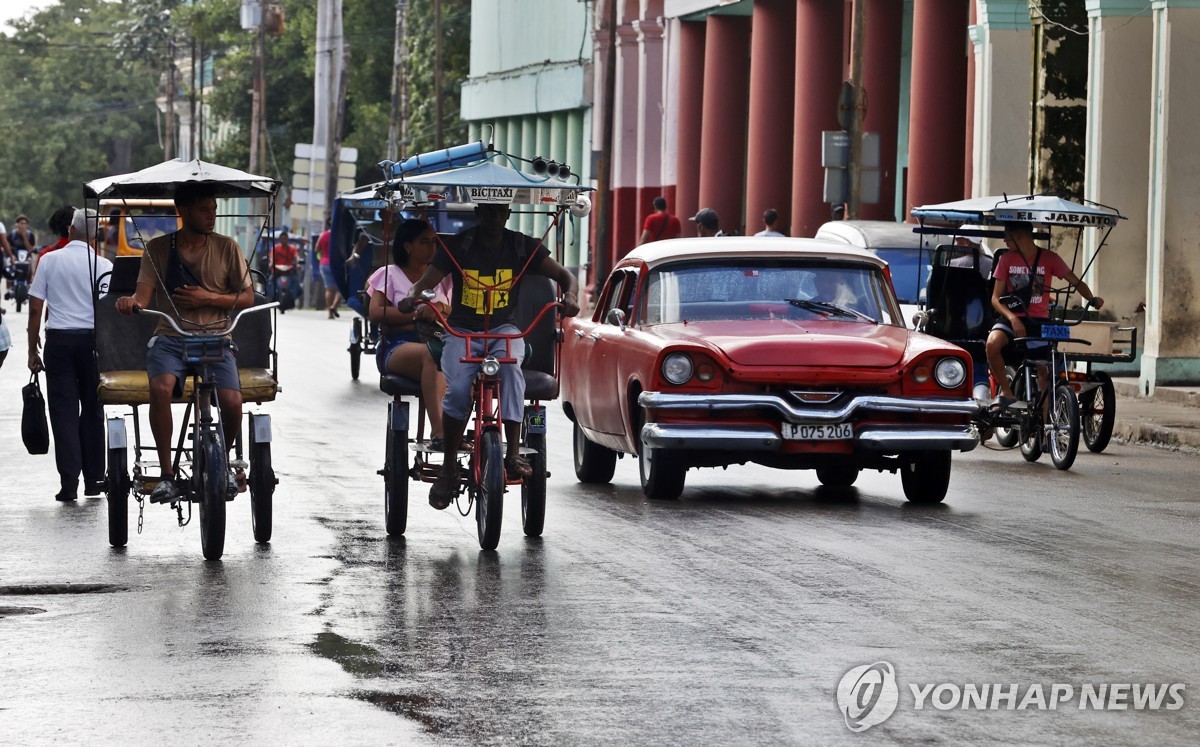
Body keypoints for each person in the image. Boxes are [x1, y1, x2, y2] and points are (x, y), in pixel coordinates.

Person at [403, 202, 581, 510]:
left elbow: (565, 276)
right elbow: (424, 283)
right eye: (488, 212)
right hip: (461, 331)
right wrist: (412, 296)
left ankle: (513, 454)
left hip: (505, 329)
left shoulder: (521, 245)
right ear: (478, 213)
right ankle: (448, 468)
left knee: (513, 373)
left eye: (500, 212)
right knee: (457, 387)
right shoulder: (459, 245)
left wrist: (571, 295)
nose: (494, 218)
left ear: (507, 215)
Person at [114, 182, 255, 504]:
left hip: (217, 337)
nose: (212, 216)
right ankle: (167, 474)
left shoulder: (228, 247)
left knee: (233, 403)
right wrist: (129, 302)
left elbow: (247, 296)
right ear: (183, 211)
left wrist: (210, 297)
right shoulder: (159, 249)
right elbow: (142, 295)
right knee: (161, 389)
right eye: (205, 210)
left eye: (214, 210)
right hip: (172, 337)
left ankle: (224, 460)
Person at [26, 208, 113, 501]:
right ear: (95, 235)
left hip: (59, 343)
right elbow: (108, 313)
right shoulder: (103, 265)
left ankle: (68, 483)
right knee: (92, 409)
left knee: (63, 412)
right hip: (92, 343)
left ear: (71, 230)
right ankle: (94, 481)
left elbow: (36, 308)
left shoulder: (49, 260)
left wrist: (31, 348)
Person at [986, 220, 1103, 406]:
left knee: (1045, 374)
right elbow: (995, 298)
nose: (1004, 239)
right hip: (1012, 317)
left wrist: (1092, 298)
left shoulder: (1050, 259)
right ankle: (1007, 392)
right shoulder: (1006, 259)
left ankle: (1047, 426)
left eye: (1007, 234)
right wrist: (1013, 318)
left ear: (1019, 236)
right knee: (992, 344)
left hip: (1039, 321)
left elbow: (1075, 281)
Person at [367, 219, 453, 446]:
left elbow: (453, 312)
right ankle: (440, 432)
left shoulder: (443, 278)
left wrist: (439, 309)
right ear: (408, 246)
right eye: (424, 242)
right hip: (397, 346)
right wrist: (417, 316)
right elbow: (376, 313)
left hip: (440, 343)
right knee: (432, 356)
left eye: (434, 242)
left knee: (464, 362)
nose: (432, 248)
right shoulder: (389, 274)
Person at [316, 218, 342, 318]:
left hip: (324, 263)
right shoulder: (340, 235)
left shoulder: (323, 235)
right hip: (337, 264)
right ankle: (333, 306)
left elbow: (317, 248)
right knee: (340, 288)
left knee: (329, 289)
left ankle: (330, 314)